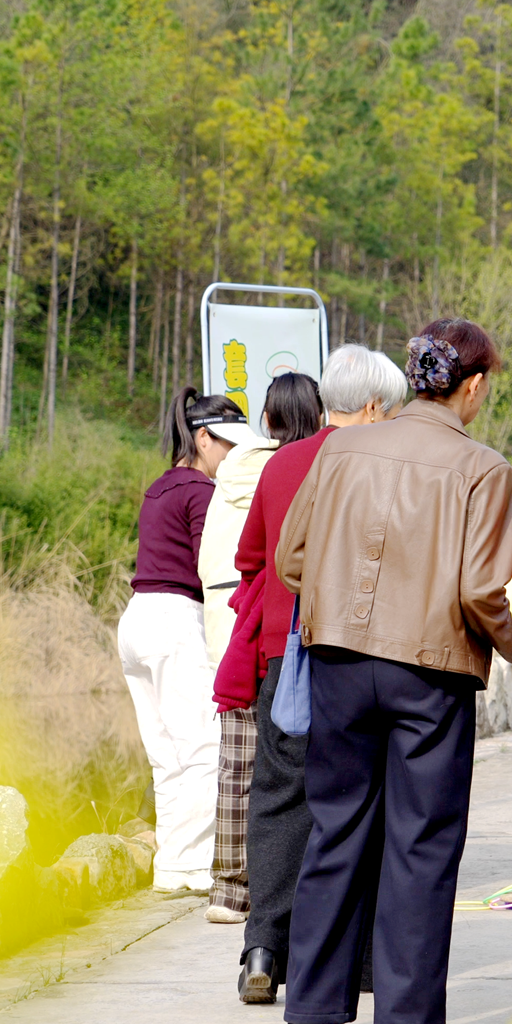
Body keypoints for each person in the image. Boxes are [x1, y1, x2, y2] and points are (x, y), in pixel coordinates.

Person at [275, 319, 512, 1024]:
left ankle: (310, 1008)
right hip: (430, 669)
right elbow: (479, 592)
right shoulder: (481, 468)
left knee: (336, 826)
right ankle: (404, 1021)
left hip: (338, 661)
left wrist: (342, 603)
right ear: (475, 384)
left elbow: (291, 558)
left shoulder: (340, 448)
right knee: (421, 841)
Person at [215, 345, 409, 1006]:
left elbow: (252, 559)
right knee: (362, 800)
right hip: (361, 657)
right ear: (375, 406)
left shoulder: (283, 463)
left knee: (279, 799)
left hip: (285, 657)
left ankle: (263, 948)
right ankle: (359, 962)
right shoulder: (385, 466)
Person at [200, 372, 323, 924]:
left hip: (242, 628)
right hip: (301, 636)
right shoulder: (325, 465)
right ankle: (300, 898)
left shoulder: (229, 475)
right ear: (320, 416)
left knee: (241, 766)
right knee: (299, 780)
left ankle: (231, 896)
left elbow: (242, 558)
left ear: (266, 420)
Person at [118, 387, 250, 893]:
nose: (233, 454)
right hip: (175, 619)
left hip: (137, 619)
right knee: (202, 747)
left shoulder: (159, 486)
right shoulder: (201, 491)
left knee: (166, 753)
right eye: (227, 444)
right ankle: (193, 867)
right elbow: (209, 566)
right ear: (203, 438)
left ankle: (171, 867)